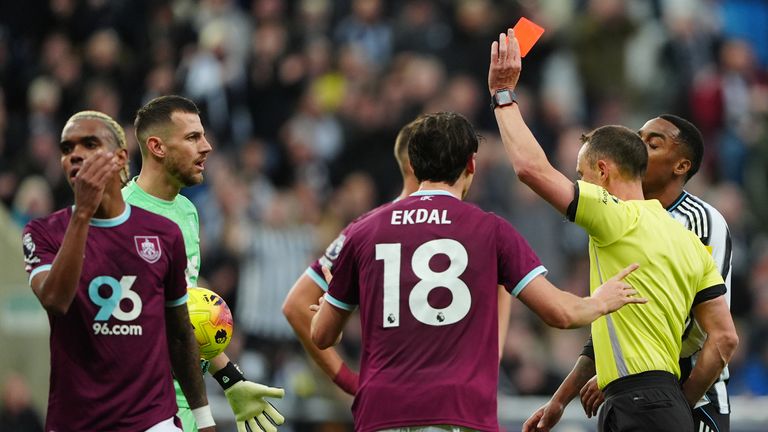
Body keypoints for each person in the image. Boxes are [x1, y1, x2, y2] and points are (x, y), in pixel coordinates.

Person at [310, 111, 646, 432]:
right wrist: (600, 301)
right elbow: (560, 313)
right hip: (459, 410)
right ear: (471, 164)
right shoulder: (490, 230)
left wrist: (331, 315)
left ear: (413, 163)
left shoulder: (364, 230)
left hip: (380, 412)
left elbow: (322, 335)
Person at [486, 29, 738, 432]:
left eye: (581, 174)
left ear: (603, 171)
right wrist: (562, 398)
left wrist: (503, 96)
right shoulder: (684, 240)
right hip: (652, 398)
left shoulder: (619, 217)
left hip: (663, 398)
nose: (580, 183)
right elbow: (715, 331)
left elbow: (531, 169)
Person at [283, 118, 515, 396]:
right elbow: (297, 304)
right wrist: (349, 381)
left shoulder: (374, 228)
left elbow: (501, 279)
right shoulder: (371, 229)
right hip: (412, 394)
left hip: (429, 395)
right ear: (414, 164)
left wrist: (493, 356)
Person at [22, 110, 215, 431]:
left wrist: (204, 417)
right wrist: (83, 214)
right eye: (67, 148)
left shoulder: (164, 233)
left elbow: (180, 332)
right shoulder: (43, 232)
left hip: (153, 419)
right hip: (77, 419)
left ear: (121, 157)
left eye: (90, 144)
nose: (75, 155)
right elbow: (55, 300)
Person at [126, 95, 284, 432]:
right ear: (157, 147)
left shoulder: (186, 211)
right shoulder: (119, 215)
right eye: (192, 137)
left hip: (186, 400)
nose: (207, 146)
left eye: (204, 135)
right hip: (140, 407)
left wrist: (231, 379)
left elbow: (189, 318)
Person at [574, 115, 735, 432]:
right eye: (639, 138)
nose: (640, 147)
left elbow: (707, 328)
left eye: (653, 143)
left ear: (681, 166)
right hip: (642, 394)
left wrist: (643, 376)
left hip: (696, 395)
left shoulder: (701, 220)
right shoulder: (623, 218)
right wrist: (562, 397)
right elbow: (615, 321)